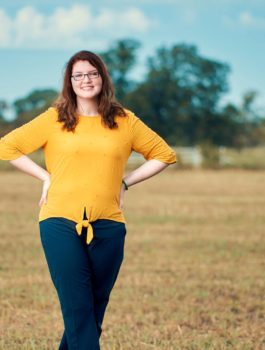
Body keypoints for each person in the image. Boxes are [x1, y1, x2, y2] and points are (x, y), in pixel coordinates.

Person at [0, 50, 177, 349]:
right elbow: (7, 147)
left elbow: (164, 154)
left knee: (92, 311)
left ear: (103, 78)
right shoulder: (54, 118)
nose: (86, 80)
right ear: (69, 82)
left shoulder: (125, 121)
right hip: (59, 223)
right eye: (78, 75)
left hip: (109, 225)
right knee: (79, 309)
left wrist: (126, 182)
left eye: (92, 73)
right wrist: (45, 177)